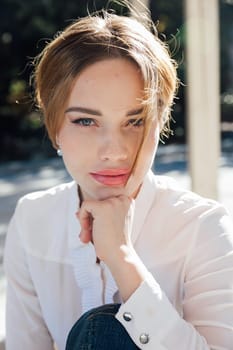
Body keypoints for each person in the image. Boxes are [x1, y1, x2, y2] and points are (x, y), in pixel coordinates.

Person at [4, 4, 233, 350]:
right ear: (54, 129)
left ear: (160, 123)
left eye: (135, 120)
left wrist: (124, 260)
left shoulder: (202, 226)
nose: (115, 151)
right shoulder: (33, 219)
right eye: (85, 121)